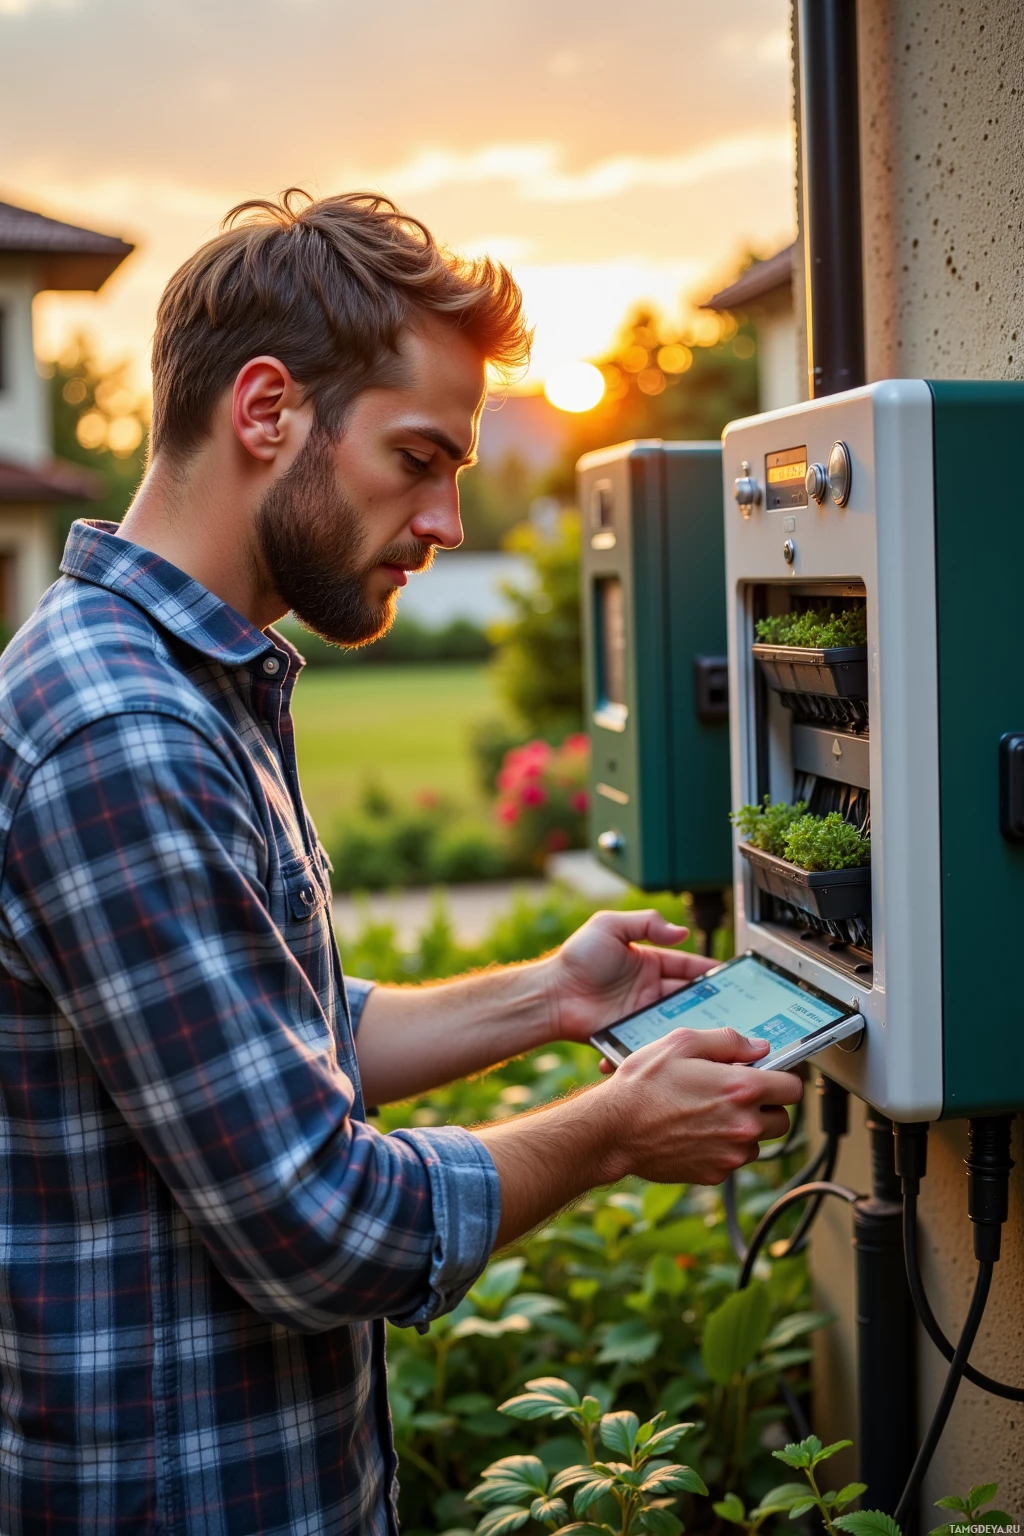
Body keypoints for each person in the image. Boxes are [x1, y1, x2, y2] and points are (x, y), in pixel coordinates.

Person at [0, 189, 802, 1535]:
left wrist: (553, 998)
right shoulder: (122, 730)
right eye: (418, 458)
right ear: (266, 413)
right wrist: (611, 1132)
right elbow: (318, 1226)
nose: (444, 523)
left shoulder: (189, 687)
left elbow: (279, 1043)